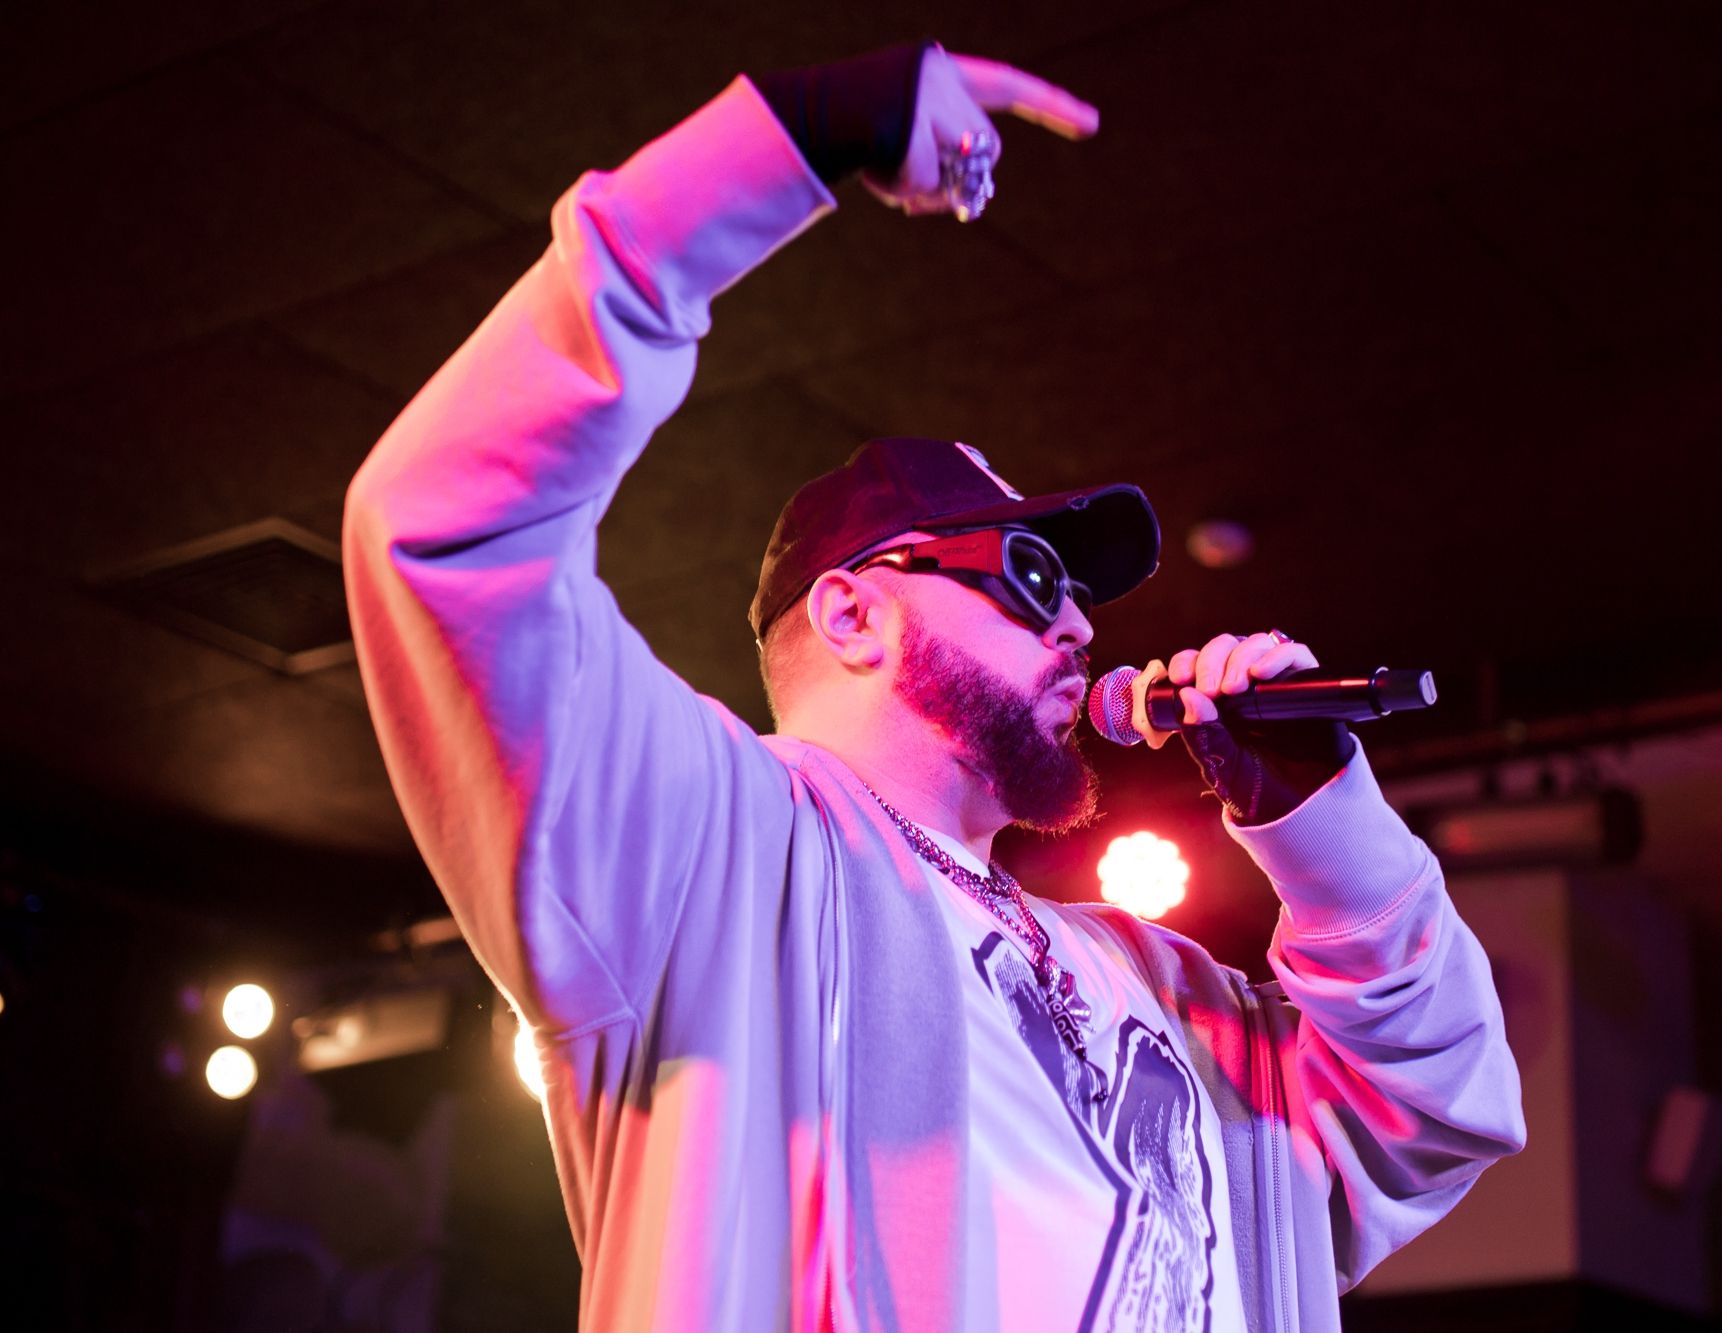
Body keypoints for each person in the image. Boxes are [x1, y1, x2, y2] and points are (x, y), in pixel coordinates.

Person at [344, 41, 1525, 1333]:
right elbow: (447, 527)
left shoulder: (1158, 981)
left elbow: (1440, 1110)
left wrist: (1321, 824)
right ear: (852, 611)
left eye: (1076, 589)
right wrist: (786, 138)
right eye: (1030, 572)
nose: (1079, 621)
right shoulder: (717, 854)